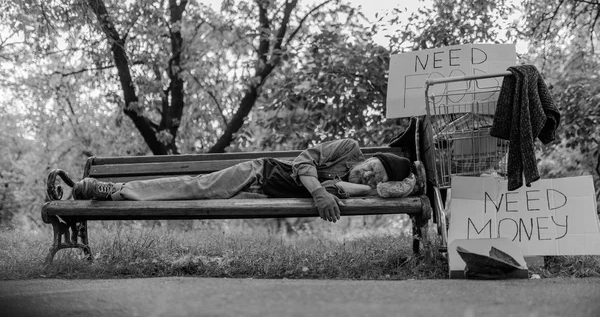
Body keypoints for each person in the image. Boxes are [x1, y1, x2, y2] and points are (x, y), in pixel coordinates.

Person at [73, 139, 425, 223]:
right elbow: (304, 159)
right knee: (196, 188)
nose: (366, 174)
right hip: (259, 173)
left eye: (375, 178)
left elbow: (380, 187)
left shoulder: (361, 188)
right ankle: (114, 190)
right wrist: (318, 191)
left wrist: (370, 187)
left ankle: (116, 192)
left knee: (196, 189)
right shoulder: (348, 149)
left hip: (268, 192)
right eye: (371, 167)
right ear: (368, 157)